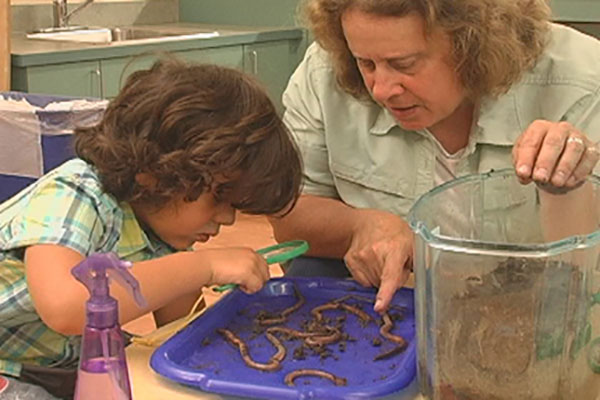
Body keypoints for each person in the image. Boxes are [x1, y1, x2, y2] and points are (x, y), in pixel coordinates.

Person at [270, 0, 600, 313]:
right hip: (392, 299)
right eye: (366, 63)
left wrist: (568, 182)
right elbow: (289, 214)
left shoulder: (582, 81)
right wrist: (362, 225)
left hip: (532, 302)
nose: (381, 89)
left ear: (474, 45)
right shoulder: (323, 70)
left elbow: (582, 276)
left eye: (404, 64)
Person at [0, 58, 302, 399]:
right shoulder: (75, 194)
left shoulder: (163, 232)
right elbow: (66, 308)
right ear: (153, 172)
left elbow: (181, 334)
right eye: (219, 196)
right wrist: (204, 266)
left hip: (64, 361)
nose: (229, 219)